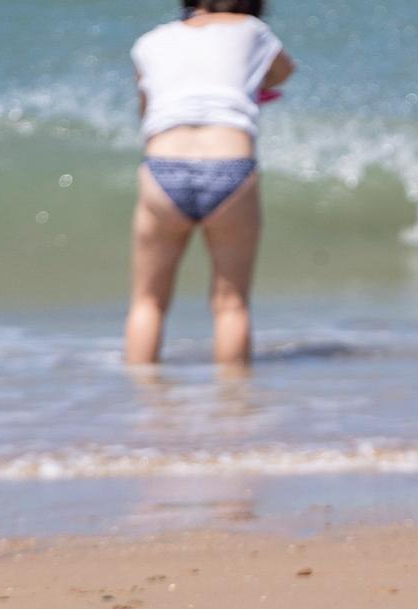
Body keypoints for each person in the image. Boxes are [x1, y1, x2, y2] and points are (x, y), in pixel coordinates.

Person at [124, 0, 295, 365]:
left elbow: (146, 110)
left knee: (148, 302)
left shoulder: (150, 42)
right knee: (231, 304)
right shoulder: (253, 32)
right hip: (229, 164)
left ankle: (141, 408)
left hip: (163, 168)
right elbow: (284, 71)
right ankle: (234, 410)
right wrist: (255, 83)